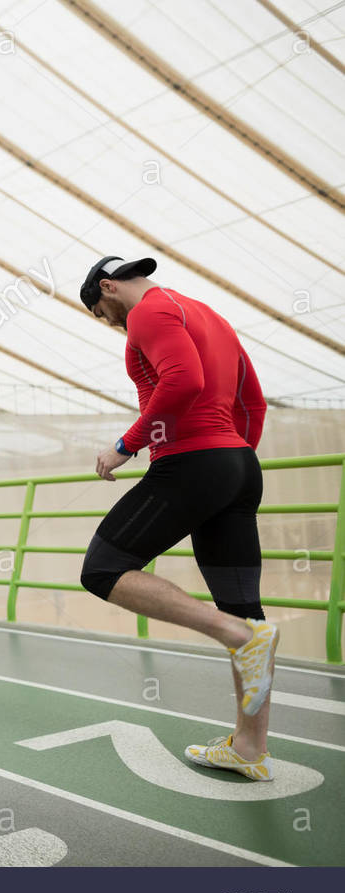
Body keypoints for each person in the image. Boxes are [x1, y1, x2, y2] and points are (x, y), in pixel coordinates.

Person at [77, 255, 277, 781]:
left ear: (108, 288)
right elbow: (253, 403)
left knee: (102, 570)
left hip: (190, 461)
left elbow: (183, 380)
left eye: (102, 312)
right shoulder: (208, 313)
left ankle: (232, 632)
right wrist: (232, 464)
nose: (111, 324)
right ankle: (250, 750)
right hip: (236, 464)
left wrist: (126, 444)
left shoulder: (147, 312)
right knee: (246, 606)